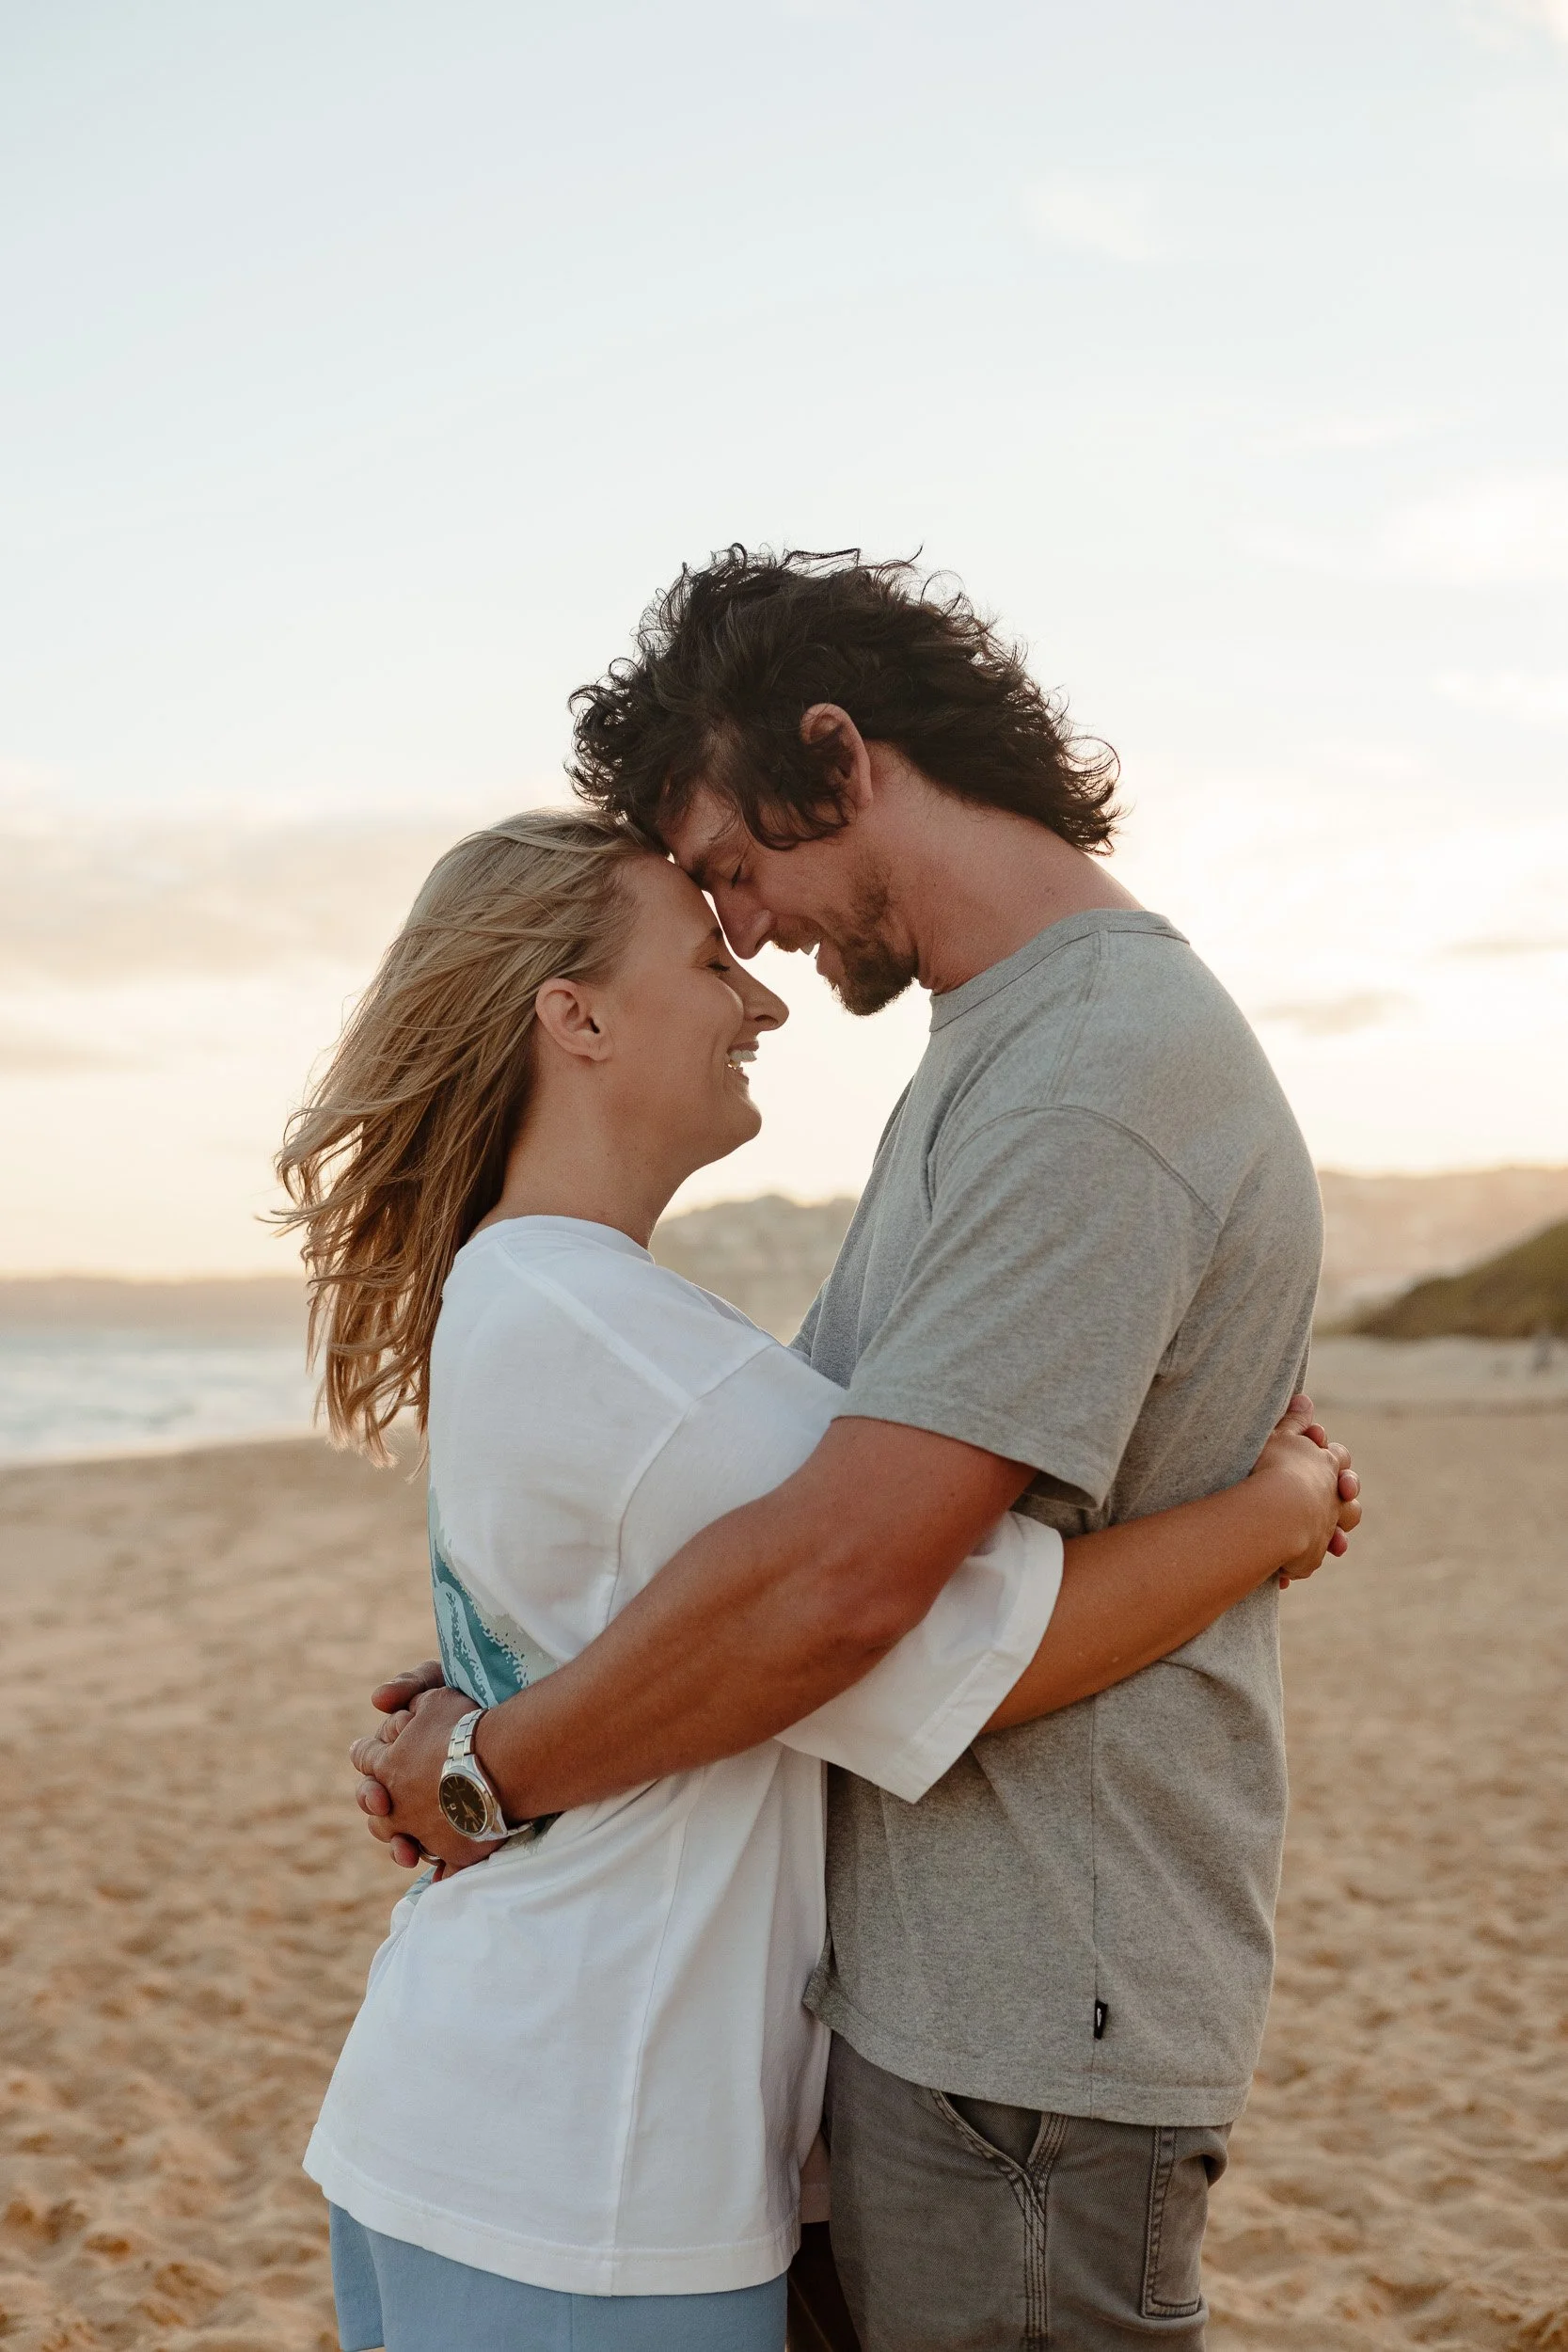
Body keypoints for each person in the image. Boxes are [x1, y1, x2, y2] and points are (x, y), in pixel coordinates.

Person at [353, 549, 1363, 2351]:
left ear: (837, 757)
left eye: (739, 871)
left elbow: (843, 1584)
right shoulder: (993, 1059)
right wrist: (548, 1651)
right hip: (912, 2017)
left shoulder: (1088, 1073)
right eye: (712, 921)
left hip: (1039, 2013)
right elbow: (781, 1526)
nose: (755, 948)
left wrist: (495, 1761)